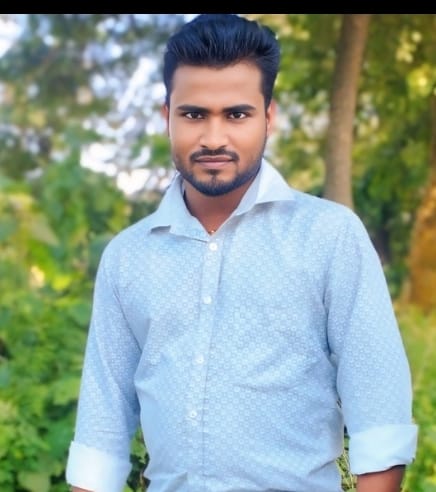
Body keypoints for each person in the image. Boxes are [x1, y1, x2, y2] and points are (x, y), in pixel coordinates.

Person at [66, 13, 418, 492]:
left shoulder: (329, 237)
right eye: (193, 115)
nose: (214, 138)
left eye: (236, 114)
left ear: (268, 117)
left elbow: (380, 419)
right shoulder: (128, 257)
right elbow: (101, 436)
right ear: (166, 116)